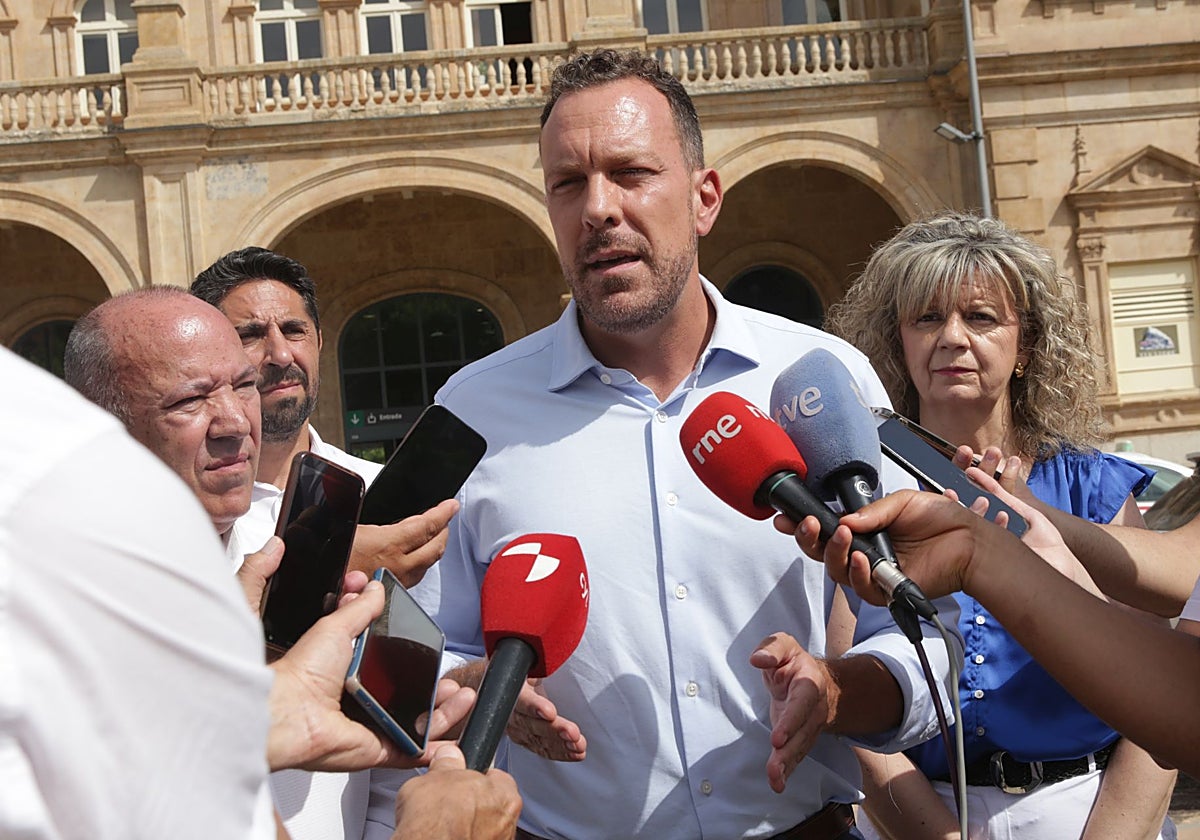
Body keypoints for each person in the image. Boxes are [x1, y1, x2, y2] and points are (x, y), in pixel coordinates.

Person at [417, 48, 961, 840]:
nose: (597, 209)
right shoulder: (470, 412)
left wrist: (837, 690)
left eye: (631, 173)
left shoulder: (822, 381)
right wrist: (472, 688)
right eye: (568, 183)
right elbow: (415, 649)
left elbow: (927, 634)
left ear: (704, 198)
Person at [3, 342, 522, 840]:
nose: (234, 422)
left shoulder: (291, 544)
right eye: (189, 400)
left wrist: (265, 706)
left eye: (243, 386)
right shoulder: (55, 579)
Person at [824, 212, 1176, 839]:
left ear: (1027, 346)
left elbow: (1164, 693)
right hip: (917, 818)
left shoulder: (1093, 490)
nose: (952, 338)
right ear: (898, 342)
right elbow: (840, 685)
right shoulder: (859, 491)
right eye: (927, 318)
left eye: (981, 317)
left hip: (1088, 810)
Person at [789, 470, 1200, 780]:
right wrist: (977, 551)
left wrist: (987, 552)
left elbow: (1179, 707)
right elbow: (1179, 705)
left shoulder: (1090, 478)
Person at [191, 246, 458, 586]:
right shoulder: (179, 519)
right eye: (250, 335)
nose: (281, 355)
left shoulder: (379, 496)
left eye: (293, 330)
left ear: (318, 341)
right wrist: (330, 571)